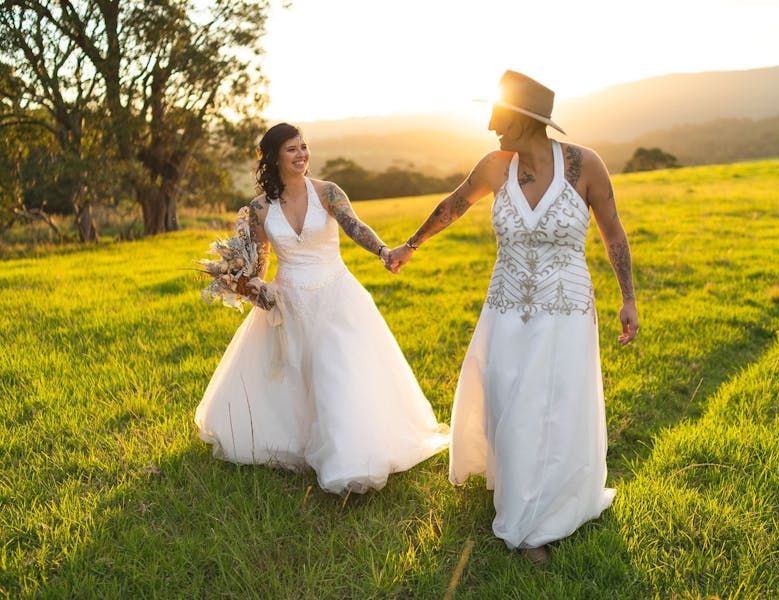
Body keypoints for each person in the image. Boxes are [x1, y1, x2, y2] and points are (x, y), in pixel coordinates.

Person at [387, 71, 638, 562]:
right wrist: (411, 245)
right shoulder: (495, 166)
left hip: (565, 308)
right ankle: (517, 485)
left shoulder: (587, 165)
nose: (490, 127)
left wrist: (627, 297)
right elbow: (453, 206)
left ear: (525, 120)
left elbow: (613, 233)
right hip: (505, 306)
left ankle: (535, 523)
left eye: (499, 117)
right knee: (508, 399)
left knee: (555, 405)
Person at [195, 123, 449, 495]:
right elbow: (258, 267)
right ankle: (301, 443)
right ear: (274, 157)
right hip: (290, 303)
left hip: (336, 298)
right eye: (292, 149)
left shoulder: (329, 193)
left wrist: (384, 253)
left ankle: (346, 464)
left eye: (303, 147)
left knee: (337, 372)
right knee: (301, 377)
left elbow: (354, 226)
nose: (301, 155)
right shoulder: (259, 210)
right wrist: (246, 285)